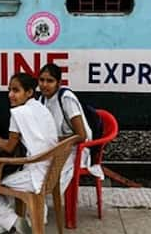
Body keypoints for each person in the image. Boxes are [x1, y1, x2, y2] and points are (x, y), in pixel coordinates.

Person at [0, 73, 58, 234]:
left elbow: (10, 146)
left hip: (34, 176)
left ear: (29, 92)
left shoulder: (18, 112)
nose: (10, 94)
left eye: (16, 90)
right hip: (49, 172)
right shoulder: (41, 108)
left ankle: (12, 222)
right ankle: (9, 223)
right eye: (9, 90)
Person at [38, 63, 103, 194]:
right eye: (42, 80)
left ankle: (42, 203)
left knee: (49, 177)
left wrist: (55, 140)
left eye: (50, 81)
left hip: (76, 149)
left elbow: (81, 135)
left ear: (58, 83)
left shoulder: (66, 98)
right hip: (56, 147)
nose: (44, 85)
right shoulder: (42, 100)